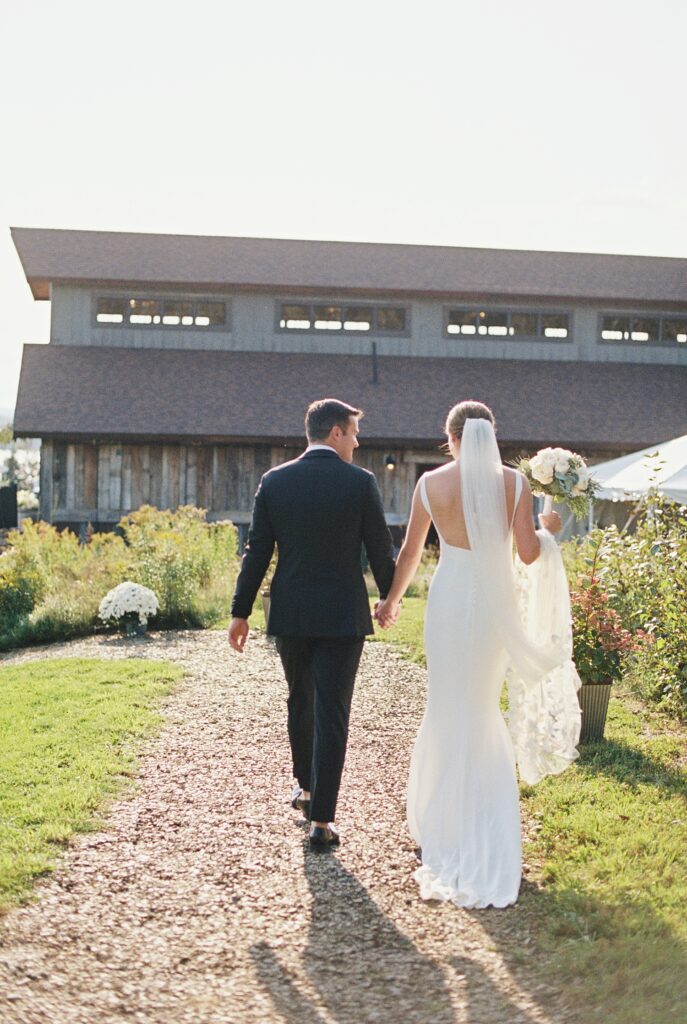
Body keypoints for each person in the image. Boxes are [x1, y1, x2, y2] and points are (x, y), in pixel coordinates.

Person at [375, 400, 581, 908]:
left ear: (450, 438)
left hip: (448, 599)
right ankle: (485, 822)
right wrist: (550, 531)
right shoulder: (514, 484)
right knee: (481, 707)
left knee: (446, 704)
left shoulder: (429, 485)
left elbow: (409, 553)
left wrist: (391, 601)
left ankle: (440, 820)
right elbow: (529, 554)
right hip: (494, 602)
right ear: (492, 434)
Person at [228, 398, 396, 848]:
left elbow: (257, 552)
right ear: (336, 432)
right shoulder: (360, 483)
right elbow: (380, 549)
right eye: (354, 433)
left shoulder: (275, 481)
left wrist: (240, 611)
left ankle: (304, 786)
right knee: (333, 712)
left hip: (293, 614)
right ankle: (321, 820)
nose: (358, 443)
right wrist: (389, 598)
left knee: (300, 701)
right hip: (342, 616)